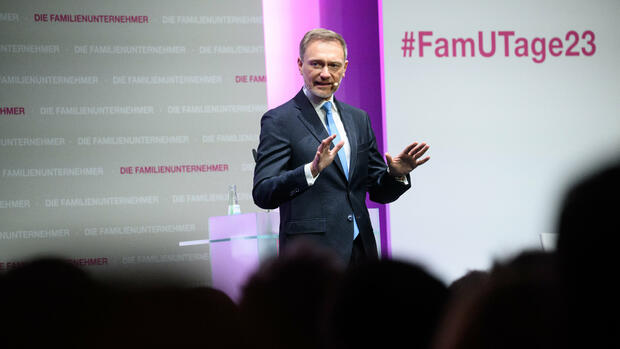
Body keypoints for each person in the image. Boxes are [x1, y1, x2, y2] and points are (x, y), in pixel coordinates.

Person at [252, 28, 429, 265]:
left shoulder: (359, 119)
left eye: (333, 66)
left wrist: (395, 175)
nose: (325, 73)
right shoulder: (279, 120)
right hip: (310, 261)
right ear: (299, 65)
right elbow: (263, 193)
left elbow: (377, 191)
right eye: (316, 64)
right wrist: (311, 171)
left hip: (361, 254)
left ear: (345, 68)